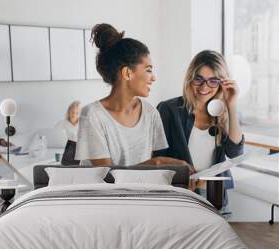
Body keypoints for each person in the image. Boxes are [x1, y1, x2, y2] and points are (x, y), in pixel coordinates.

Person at [75, 23, 192, 170]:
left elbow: (152, 173)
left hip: (139, 193)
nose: (153, 78)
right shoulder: (92, 115)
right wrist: (157, 163)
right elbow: (107, 176)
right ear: (127, 73)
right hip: (102, 193)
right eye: (148, 70)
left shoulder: (150, 113)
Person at [155, 50, 244, 214]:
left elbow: (235, 154)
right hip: (180, 198)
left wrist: (231, 104)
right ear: (190, 79)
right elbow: (156, 159)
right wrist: (182, 176)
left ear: (221, 83)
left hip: (214, 198)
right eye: (199, 79)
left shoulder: (223, 113)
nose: (204, 87)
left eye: (213, 81)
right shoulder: (169, 109)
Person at [55, 101, 81, 165]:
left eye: (77, 113)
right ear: (69, 112)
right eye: (72, 112)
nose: (74, 115)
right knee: (66, 163)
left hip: (80, 146)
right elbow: (55, 131)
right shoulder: (64, 123)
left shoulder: (82, 122)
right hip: (69, 145)